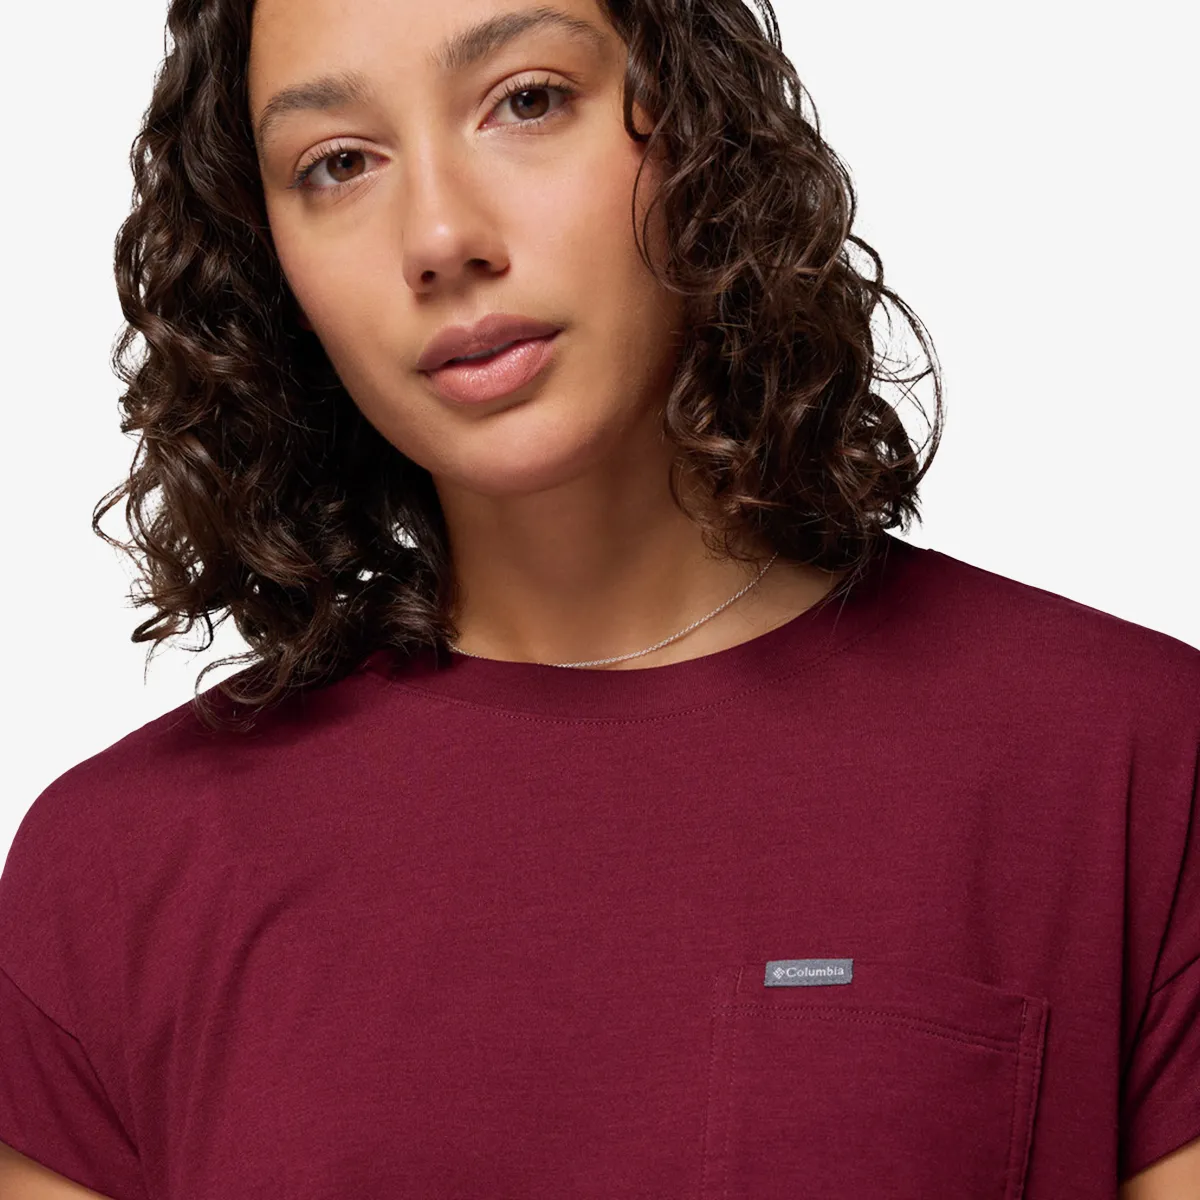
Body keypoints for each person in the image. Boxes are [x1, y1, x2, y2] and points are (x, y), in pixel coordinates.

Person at [1, 0, 1197, 1195]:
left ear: (697, 128)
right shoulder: (115, 879)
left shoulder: (1125, 762)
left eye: (526, 101)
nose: (441, 236)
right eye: (338, 163)